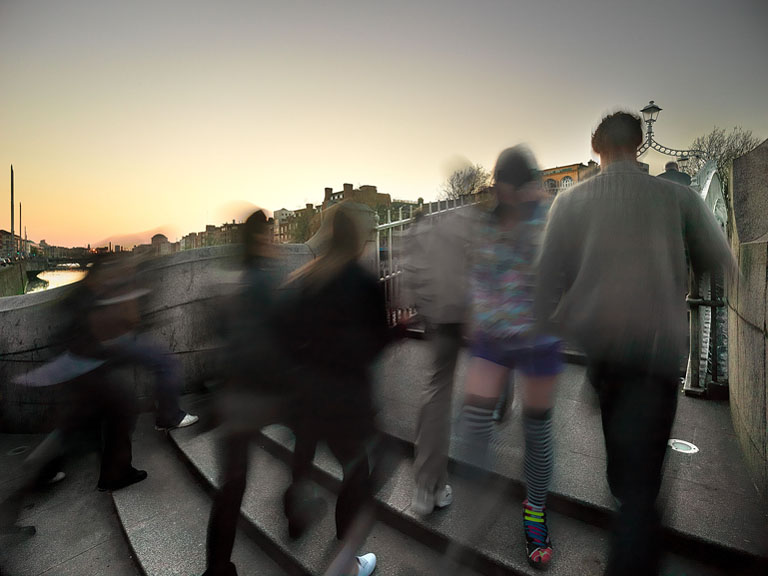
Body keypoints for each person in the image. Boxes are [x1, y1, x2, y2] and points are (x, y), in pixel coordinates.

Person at [534, 111, 734, 576]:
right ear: (640, 143)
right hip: (660, 350)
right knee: (643, 477)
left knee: (624, 463)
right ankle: (635, 540)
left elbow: (545, 283)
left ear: (596, 148)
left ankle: (632, 519)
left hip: (604, 353)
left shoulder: (570, 202)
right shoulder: (677, 197)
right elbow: (717, 256)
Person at [459, 146, 562, 569]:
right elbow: (476, 274)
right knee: (475, 420)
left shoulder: (550, 220)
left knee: (537, 429)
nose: (506, 194)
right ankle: (475, 495)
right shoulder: (485, 224)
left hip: (538, 337)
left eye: (513, 187)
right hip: (493, 336)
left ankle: (534, 511)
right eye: (502, 186)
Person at [280, 204, 391, 576]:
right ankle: (346, 560)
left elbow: (290, 339)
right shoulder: (362, 281)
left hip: (308, 394)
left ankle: (296, 500)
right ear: (358, 238)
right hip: (345, 397)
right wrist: (400, 331)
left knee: (311, 455)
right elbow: (376, 342)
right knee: (358, 471)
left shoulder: (304, 280)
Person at [203, 209, 294, 576]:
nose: (275, 243)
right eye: (271, 236)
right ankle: (296, 509)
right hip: (260, 393)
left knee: (232, 486)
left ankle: (217, 567)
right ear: (261, 239)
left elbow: (220, 329)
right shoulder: (267, 280)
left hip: (232, 395)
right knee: (310, 440)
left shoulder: (233, 278)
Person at [400, 207, 470, 515]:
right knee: (439, 394)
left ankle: (431, 483)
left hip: (436, 319)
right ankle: (430, 485)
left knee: (436, 390)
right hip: (452, 318)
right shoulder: (456, 226)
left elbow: (411, 274)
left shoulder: (416, 234)